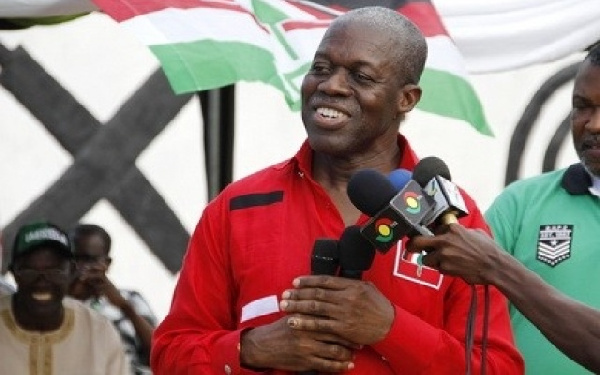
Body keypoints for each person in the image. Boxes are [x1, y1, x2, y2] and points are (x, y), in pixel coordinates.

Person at [151, 7, 524, 374]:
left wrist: (390, 329)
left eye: (361, 76)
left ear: (406, 99)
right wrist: (250, 349)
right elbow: (169, 354)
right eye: (321, 68)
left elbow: (496, 368)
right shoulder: (237, 208)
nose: (330, 85)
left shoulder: (452, 221)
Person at [407, 44, 600, 374]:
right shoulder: (521, 203)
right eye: (582, 106)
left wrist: (497, 267)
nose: (593, 124)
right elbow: (458, 319)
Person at [0, 221, 131, 375]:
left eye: (55, 271)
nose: (42, 281)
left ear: (71, 272)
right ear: (14, 273)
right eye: (30, 270)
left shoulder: (99, 332)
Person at [68, 223, 157, 375]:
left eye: (89, 260)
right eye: (74, 259)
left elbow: (160, 354)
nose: (80, 267)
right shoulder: (54, 303)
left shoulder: (130, 298)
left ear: (106, 263)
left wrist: (126, 308)